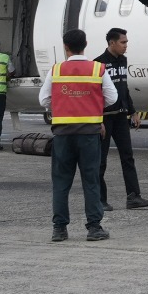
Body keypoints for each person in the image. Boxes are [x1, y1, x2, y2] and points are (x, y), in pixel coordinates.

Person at [40, 29, 115, 241]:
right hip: (89, 134)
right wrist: (91, 105)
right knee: (90, 180)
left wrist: (63, 106)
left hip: (63, 134)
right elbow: (111, 97)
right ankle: (94, 227)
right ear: (86, 44)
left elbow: (44, 99)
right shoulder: (97, 69)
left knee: (61, 182)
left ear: (66, 47)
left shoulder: (56, 70)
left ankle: (59, 229)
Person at [99, 27, 148, 209]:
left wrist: (133, 111)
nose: (126, 46)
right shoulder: (98, 64)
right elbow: (94, 94)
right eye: (123, 42)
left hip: (121, 116)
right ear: (112, 43)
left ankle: (133, 196)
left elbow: (124, 88)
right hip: (105, 118)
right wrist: (97, 120)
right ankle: (100, 200)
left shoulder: (123, 61)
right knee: (101, 160)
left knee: (128, 157)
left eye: (126, 42)